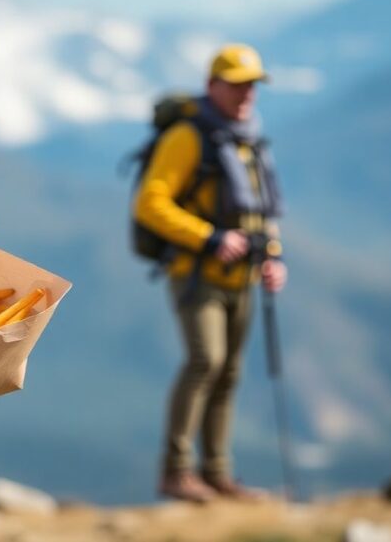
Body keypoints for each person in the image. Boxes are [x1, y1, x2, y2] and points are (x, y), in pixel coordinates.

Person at [134, 44, 287, 503]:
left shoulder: (247, 137)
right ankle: (176, 472)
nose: (246, 94)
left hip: (241, 277)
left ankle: (218, 472)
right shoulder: (187, 136)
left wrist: (273, 257)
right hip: (197, 274)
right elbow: (151, 202)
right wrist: (209, 237)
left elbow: (261, 210)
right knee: (206, 362)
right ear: (212, 85)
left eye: (252, 85)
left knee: (229, 371)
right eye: (237, 84)